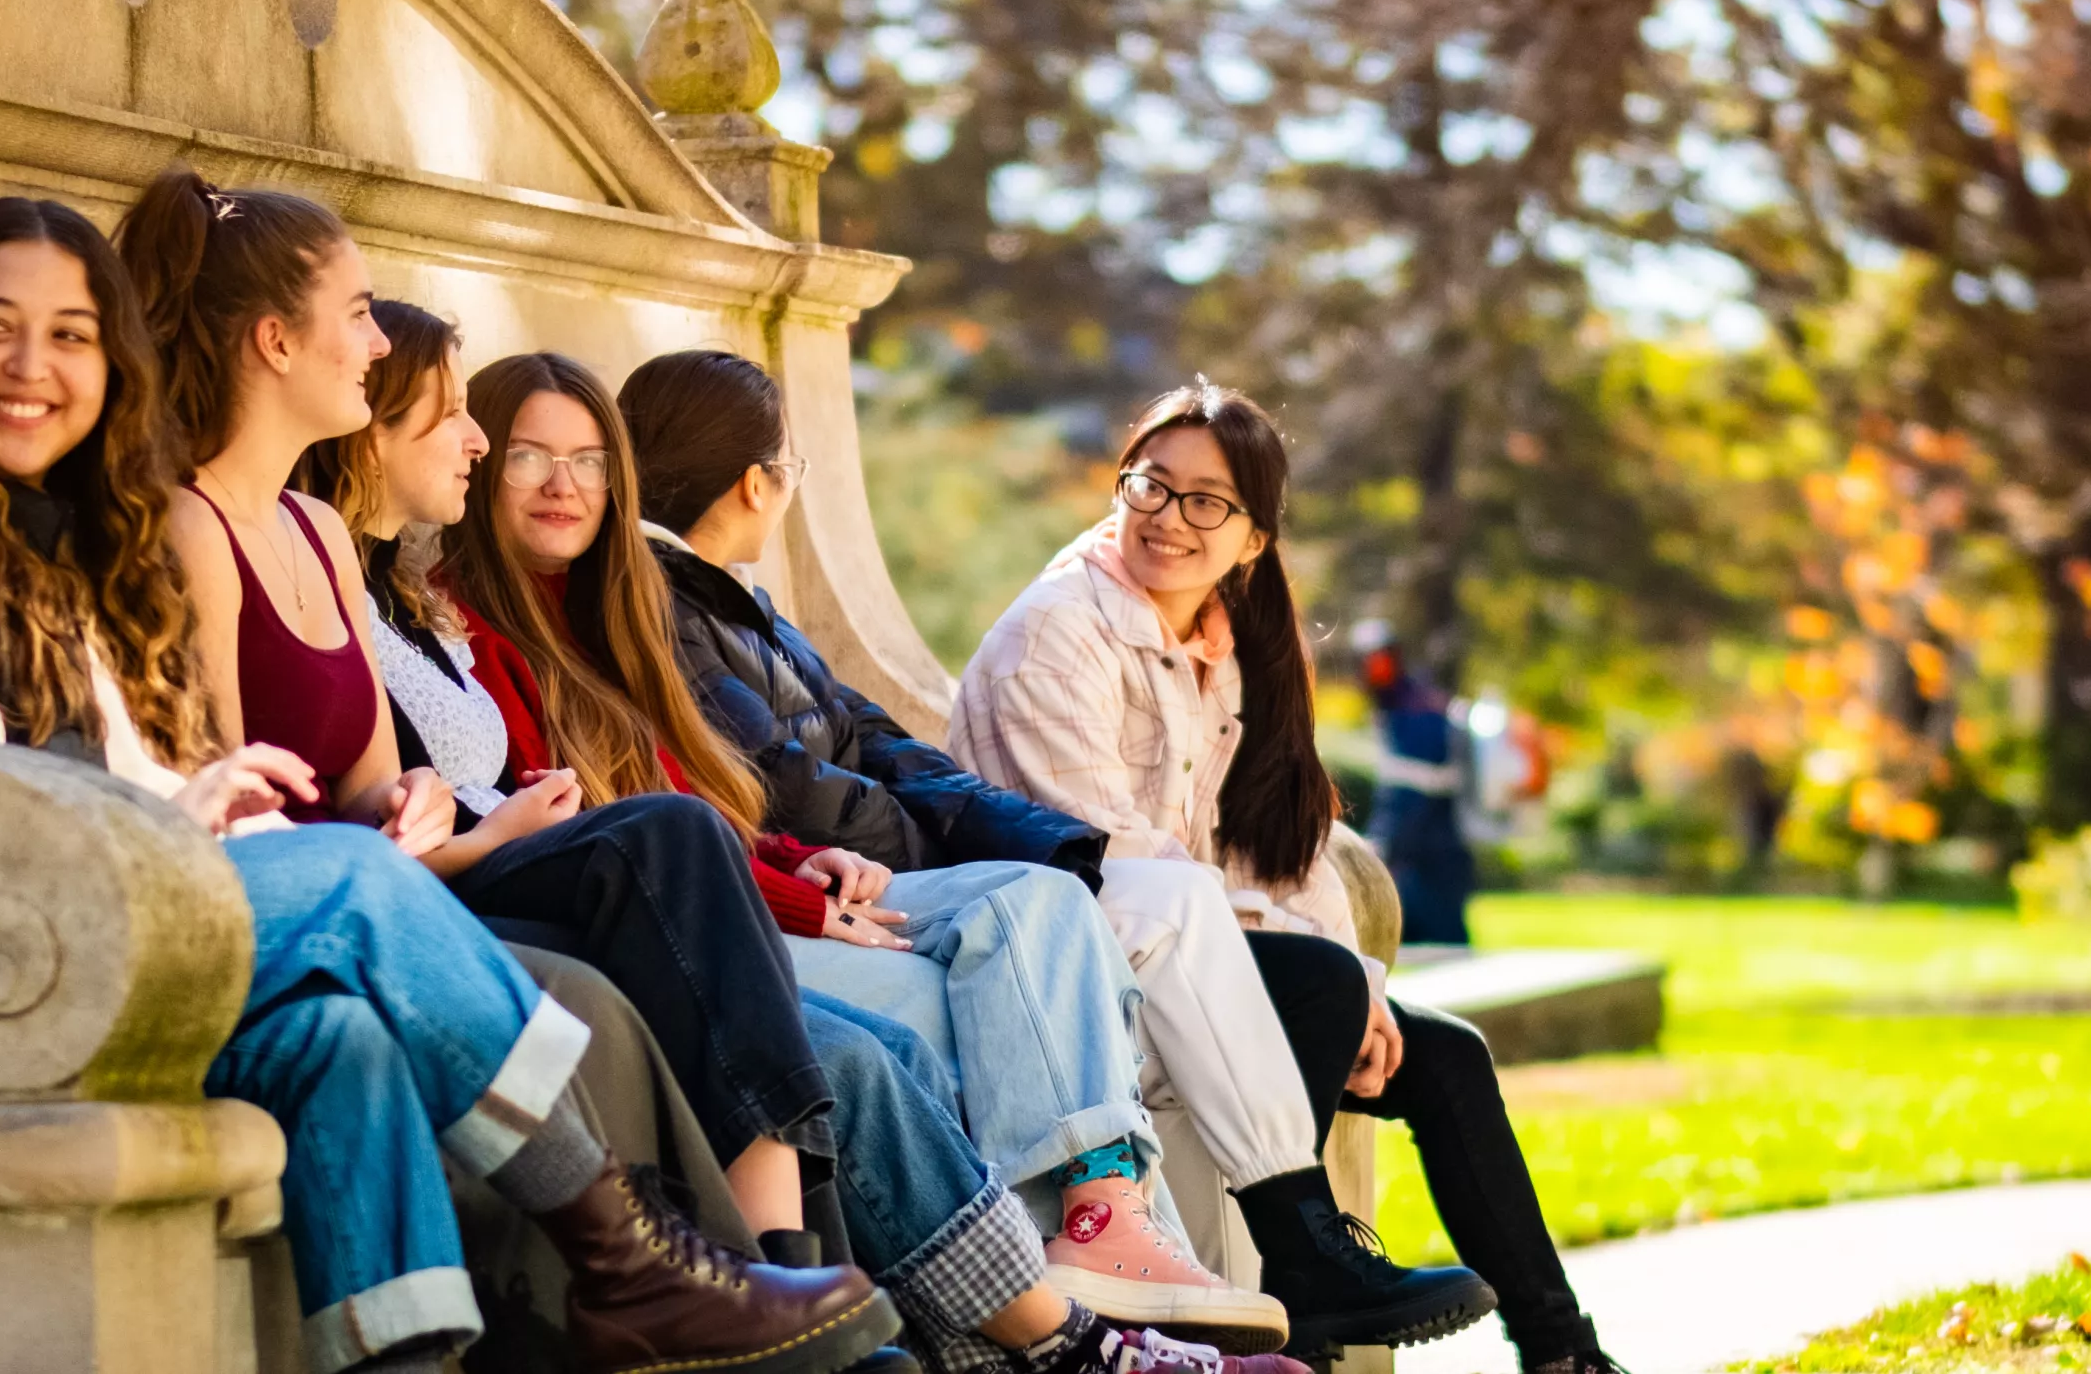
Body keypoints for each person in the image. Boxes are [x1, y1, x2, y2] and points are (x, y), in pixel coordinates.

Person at [0, 158, 886, 1374]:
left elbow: (0, 752)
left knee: (343, 1043)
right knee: (366, 889)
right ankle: (625, 1255)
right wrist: (170, 812)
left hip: (75, 888)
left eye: (74, 336)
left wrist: (190, 799)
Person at [423, 346, 1302, 1374]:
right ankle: (1064, 1342)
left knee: (1051, 902)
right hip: (671, 924)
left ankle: (1110, 1239)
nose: (565, 485)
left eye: (587, 460)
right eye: (530, 457)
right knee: (946, 1022)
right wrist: (797, 890)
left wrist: (809, 860)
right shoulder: (498, 624)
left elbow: (706, 788)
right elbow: (638, 836)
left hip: (784, 881)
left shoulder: (610, 604)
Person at [955, 385, 1624, 1374]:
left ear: (1253, 537)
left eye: (1204, 502)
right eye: (1151, 485)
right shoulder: (1058, 631)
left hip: (1181, 958)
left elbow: (1285, 846)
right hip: (1070, 975)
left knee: (1443, 1055)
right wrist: (1332, 979)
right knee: (1308, 990)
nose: (1167, 517)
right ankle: (1297, 1306)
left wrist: (1370, 989)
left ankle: (1563, 1352)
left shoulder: (1230, 647)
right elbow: (1107, 854)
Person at [1352, 620, 1476, 946]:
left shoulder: (1416, 713)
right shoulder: (1398, 710)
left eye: (1379, 658)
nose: (1372, 668)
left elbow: (1411, 798)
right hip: (1429, 859)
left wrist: (1384, 845)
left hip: (1431, 861)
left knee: (1445, 956)